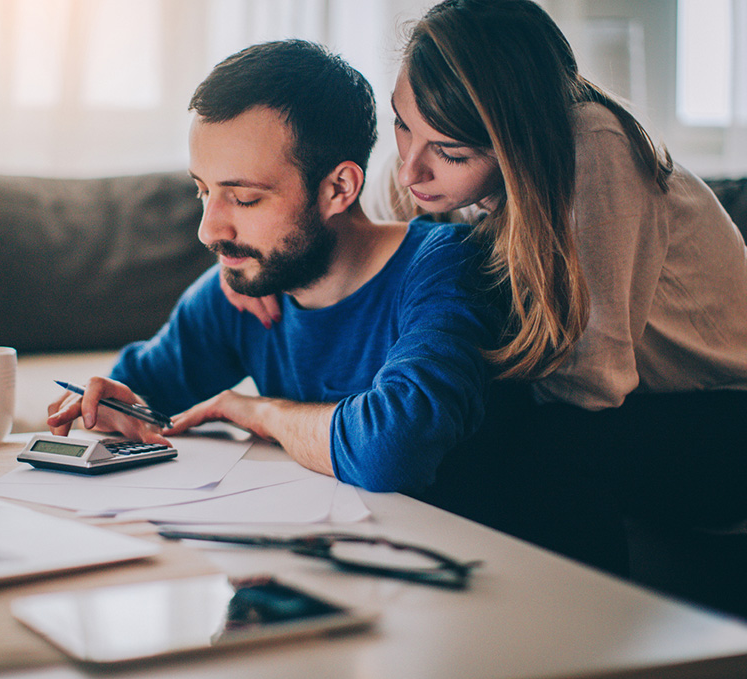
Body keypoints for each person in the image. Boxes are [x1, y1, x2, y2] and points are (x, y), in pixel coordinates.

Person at [223, 0, 747, 573]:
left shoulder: (595, 152)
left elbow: (592, 382)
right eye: (402, 124)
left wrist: (418, 402)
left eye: (449, 153)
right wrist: (256, 261)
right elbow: (352, 228)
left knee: (520, 437)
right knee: (437, 414)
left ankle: (576, 639)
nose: (409, 171)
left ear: (518, 143)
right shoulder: (430, 161)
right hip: (646, 405)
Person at [47, 39, 501, 499]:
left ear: (338, 188)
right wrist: (110, 405)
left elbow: (393, 451)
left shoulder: (447, 268)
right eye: (203, 191)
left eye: (244, 198)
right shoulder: (246, 287)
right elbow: (141, 392)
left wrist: (258, 412)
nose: (208, 231)